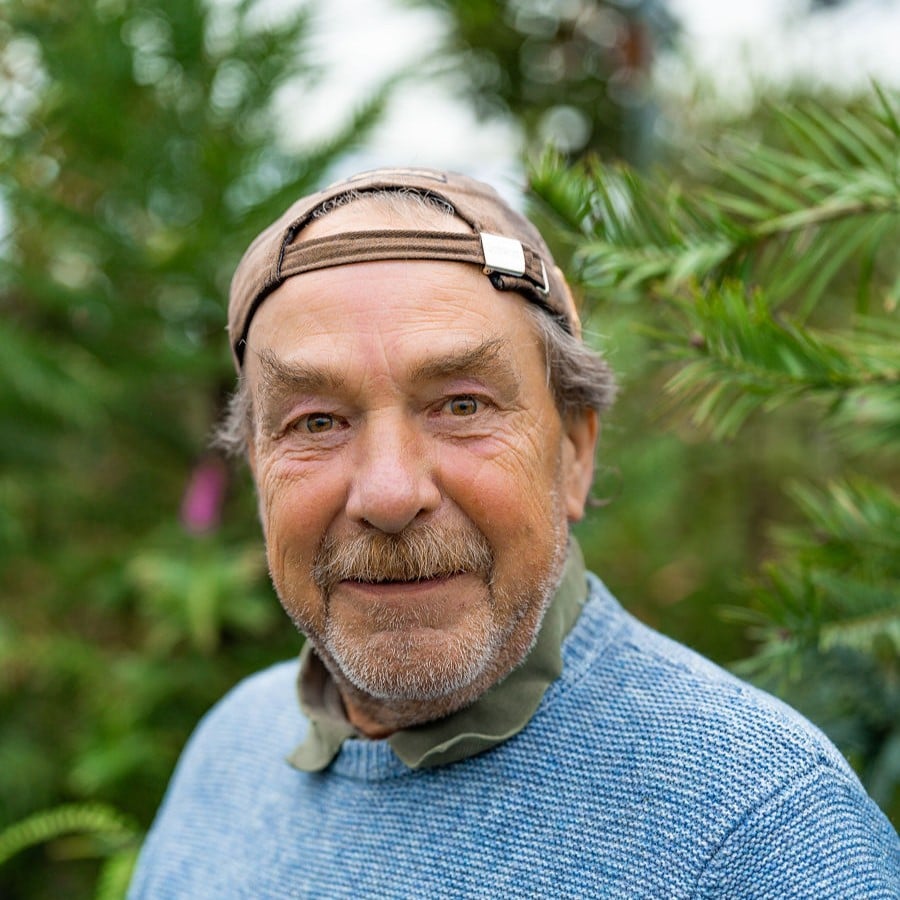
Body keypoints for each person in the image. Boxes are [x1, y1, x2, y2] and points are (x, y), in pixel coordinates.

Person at [128, 168, 900, 898]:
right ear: (257, 467)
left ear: (575, 452)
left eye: (462, 406)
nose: (390, 494)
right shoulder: (229, 751)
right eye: (316, 422)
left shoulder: (759, 826)